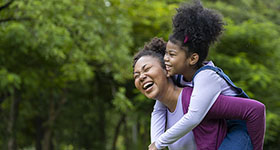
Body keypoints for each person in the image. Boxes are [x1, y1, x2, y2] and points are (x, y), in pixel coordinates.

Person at [150, 1, 258, 149]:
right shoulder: (178, 76)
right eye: (165, 53)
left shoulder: (206, 76)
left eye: (172, 54)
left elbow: (193, 118)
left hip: (237, 128)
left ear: (192, 59)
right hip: (216, 125)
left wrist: (160, 143)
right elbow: (158, 109)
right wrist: (154, 143)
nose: (165, 59)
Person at [132, 44, 265, 150]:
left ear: (167, 70)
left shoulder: (196, 99)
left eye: (146, 69)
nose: (141, 77)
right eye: (136, 75)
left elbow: (255, 110)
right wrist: (156, 144)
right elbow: (157, 117)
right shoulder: (162, 109)